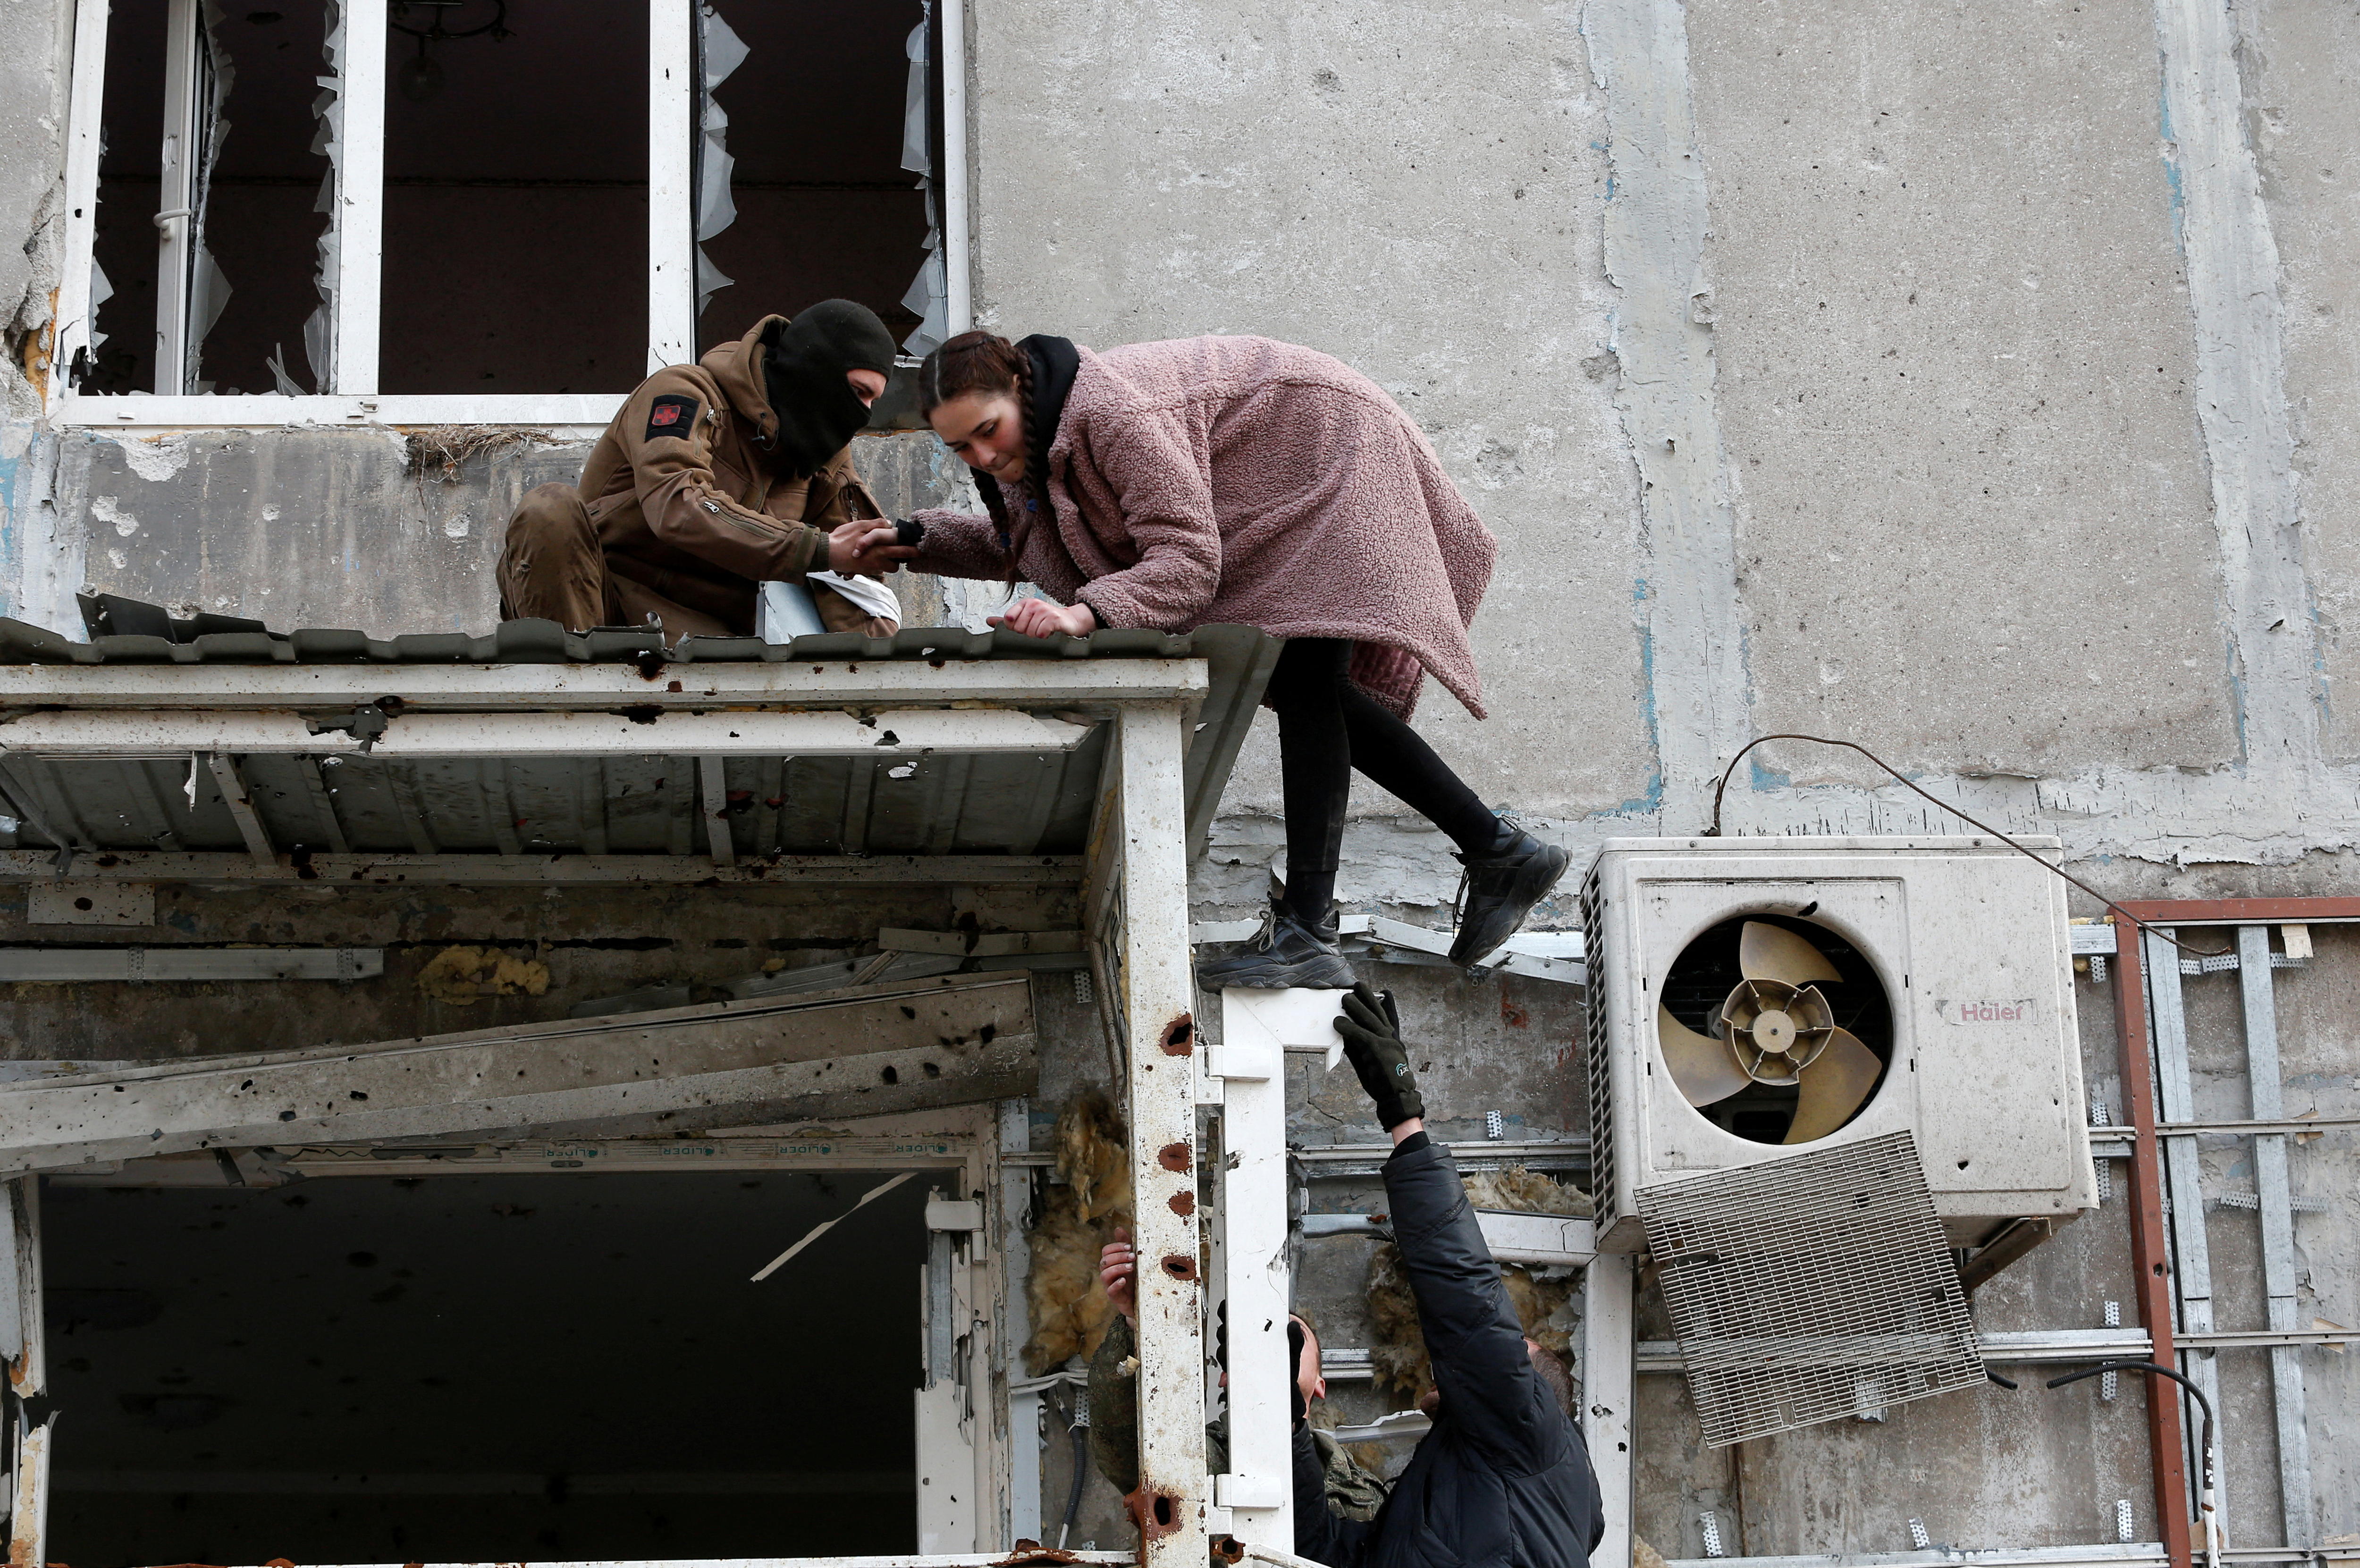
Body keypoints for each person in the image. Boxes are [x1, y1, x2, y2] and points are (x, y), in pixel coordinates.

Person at [910, 330, 1568, 978]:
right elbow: (1022, 541)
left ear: (1021, 391)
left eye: (987, 430)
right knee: (1307, 682)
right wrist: (909, 538)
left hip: (1330, 446)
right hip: (1293, 458)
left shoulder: (1109, 414)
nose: (981, 456)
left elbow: (1188, 561)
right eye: (959, 446)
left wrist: (1083, 612)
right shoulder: (1046, 438)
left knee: (1306, 672)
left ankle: (1314, 925)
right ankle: (1495, 850)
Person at [1296, 981, 1607, 1568]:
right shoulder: (1515, 1448)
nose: (1489, 1352)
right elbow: (1468, 1307)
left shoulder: (1499, 1460)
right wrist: (1403, 1118)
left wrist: (1288, 1425)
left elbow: (1320, 1556)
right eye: (1507, 1351)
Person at [497, 300, 917, 642]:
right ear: (815, 369)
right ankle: (574, 703)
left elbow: (853, 582)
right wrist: (814, 549)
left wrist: (876, 694)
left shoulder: (824, 455)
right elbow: (677, 505)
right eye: (856, 393)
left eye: (871, 403)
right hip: (605, 609)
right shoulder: (686, 393)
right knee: (548, 509)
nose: (859, 415)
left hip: (717, 651)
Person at [1089, 1232, 1389, 1524]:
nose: (1275, 1346)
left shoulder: (1362, 1490)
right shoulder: (1195, 1452)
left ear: (1321, 1386)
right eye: (1260, 1341)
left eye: (1292, 1336)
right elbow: (1124, 1444)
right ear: (1225, 1379)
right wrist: (1139, 1320)